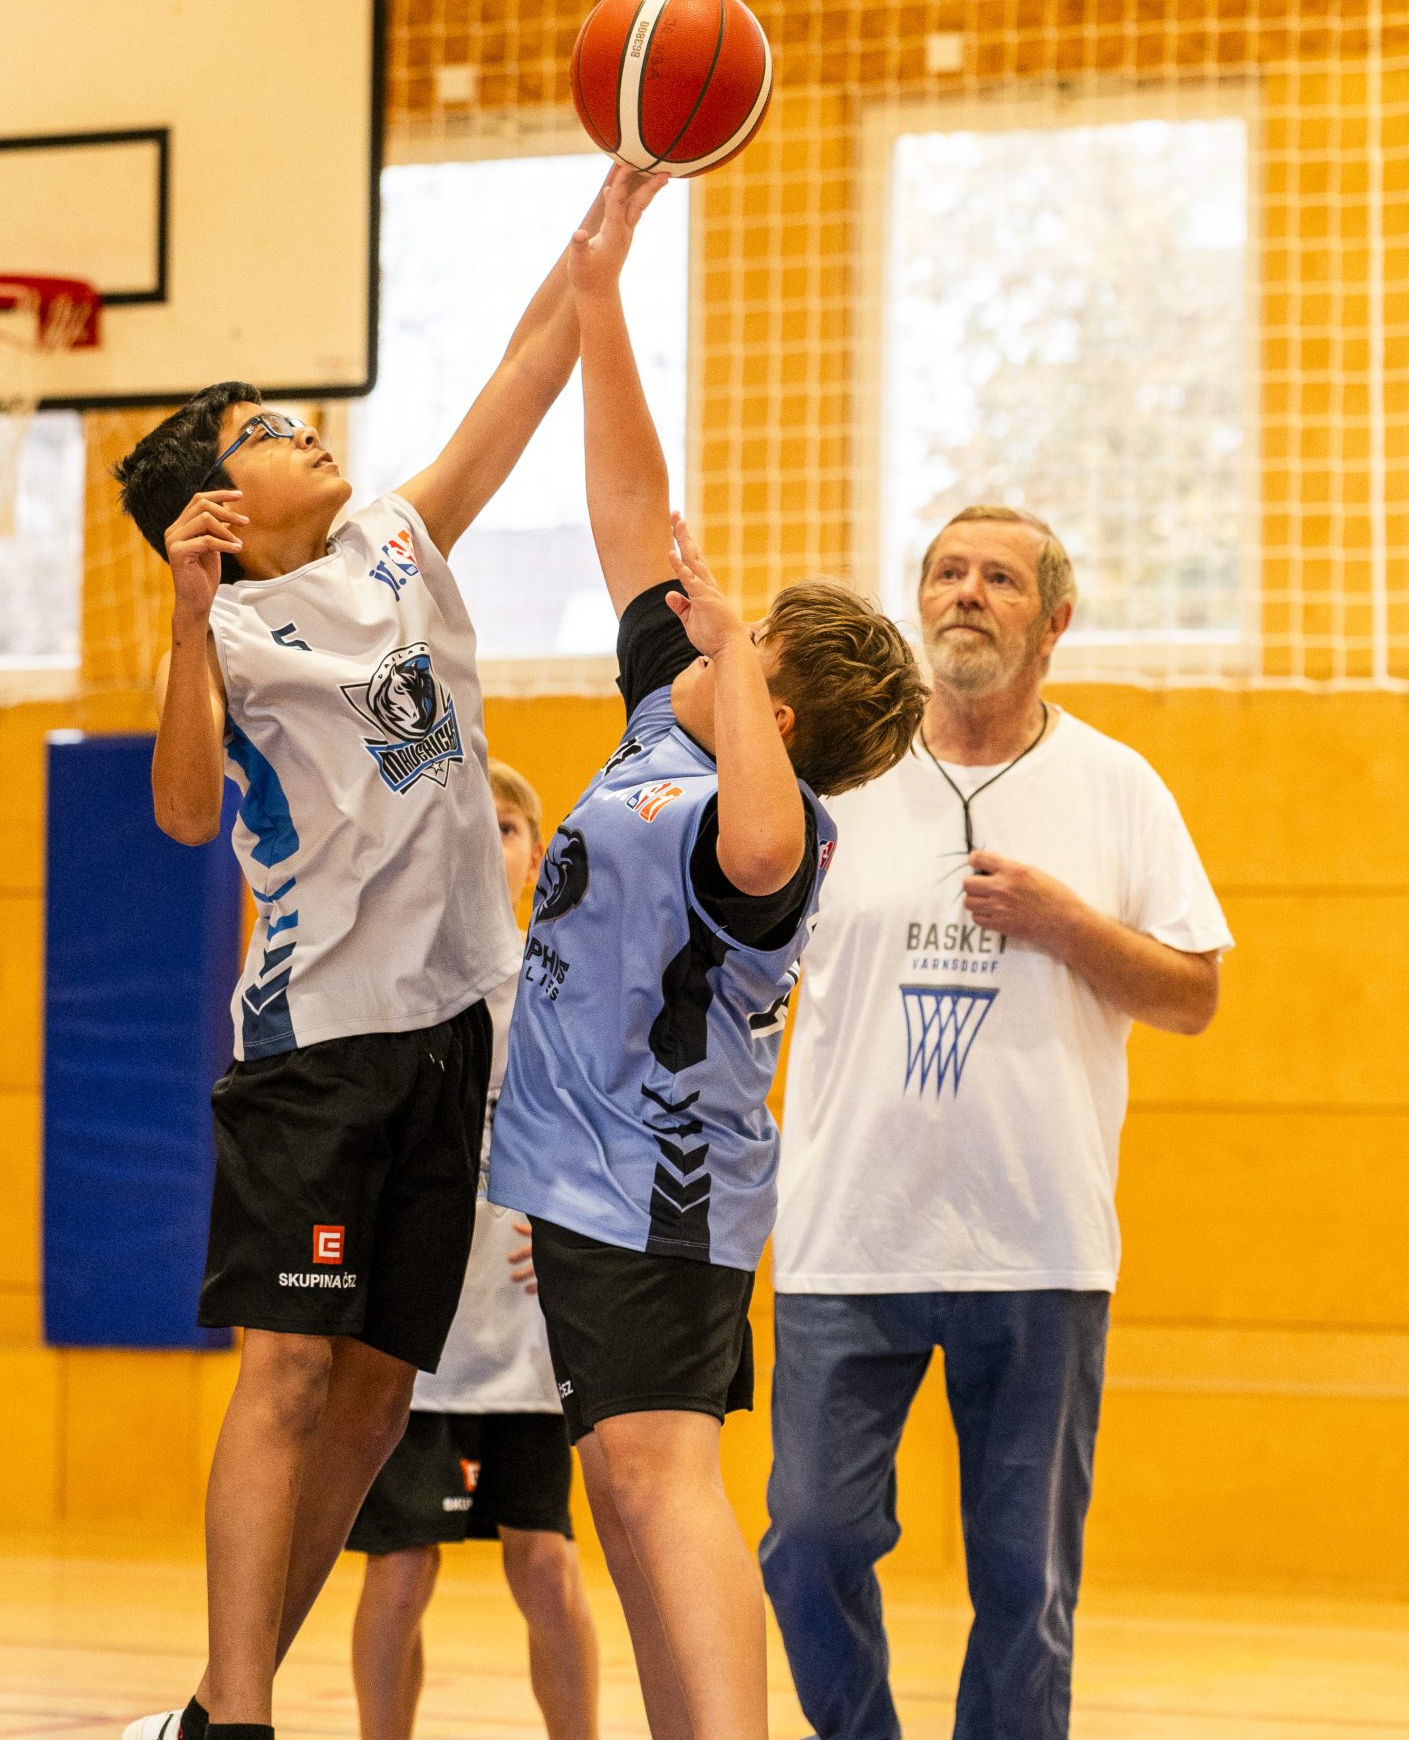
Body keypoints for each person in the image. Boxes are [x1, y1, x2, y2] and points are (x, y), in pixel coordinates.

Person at [114, 176, 616, 1740]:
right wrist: (183, 621)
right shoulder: (223, 634)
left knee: (381, 1391)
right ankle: (243, 1720)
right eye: (266, 430)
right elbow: (181, 812)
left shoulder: (395, 538)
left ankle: (217, 1702)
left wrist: (610, 215)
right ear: (214, 509)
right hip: (320, 1043)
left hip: (452, 1030)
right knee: (285, 1374)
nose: (305, 431)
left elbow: (525, 370)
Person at [489, 166, 929, 1740]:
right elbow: (629, 509)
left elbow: (750, 852)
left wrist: (735, 656)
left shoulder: (773, 825)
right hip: (583, 1174)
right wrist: (601, 299)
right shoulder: (657, 733)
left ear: (774, 707)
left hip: (661, 1183)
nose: (689, 635)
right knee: (623, 1487)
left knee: (661, 1476)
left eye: (735, 648)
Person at [761, 505, 1233, 1740]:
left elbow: (1191, 994)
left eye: (1000, 579)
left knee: (1024, 1589)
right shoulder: (835, 778)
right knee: (806, 1540)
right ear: (919, 600)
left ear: (1053, 619)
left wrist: (1066, 924)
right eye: (946, 572)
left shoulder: (1117, 786)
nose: (965, 592)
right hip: (845, 1241)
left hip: (1036, 1247)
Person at [346, 759, 598, 1740]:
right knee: (402, 1565)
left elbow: (613, 1132)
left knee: (545, 1560)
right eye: (470, 823)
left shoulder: (567, 986)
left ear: (536, 857)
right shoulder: (398, 984)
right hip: (418, 1331)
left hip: (528, 1331)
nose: (488, 841)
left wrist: (570, 1214)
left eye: (506, 825)